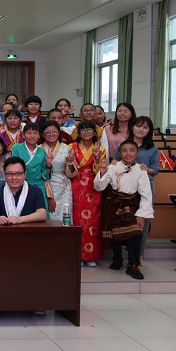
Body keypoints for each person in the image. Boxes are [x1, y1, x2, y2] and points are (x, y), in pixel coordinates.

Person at [95, 140, 154, 280]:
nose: (128, 154)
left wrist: (142, 215)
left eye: (132, 150)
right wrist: (102, 173)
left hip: (132, 204)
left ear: (137, 153)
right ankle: (117, 258)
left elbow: (146, 194)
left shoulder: (141, 170)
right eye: (124, 151)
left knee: (136, 232)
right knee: (115, 231)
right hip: (114, 204)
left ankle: (133, 264)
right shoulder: (112, 167)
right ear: (119, 153)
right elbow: (99, 187)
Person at [113, 116, 159, 261]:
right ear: (132, 127)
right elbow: (114, 163)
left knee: (143, 223)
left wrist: (148, 170)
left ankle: (139, 256)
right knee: (123, 220)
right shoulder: (123, 144)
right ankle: (120, 256)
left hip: (145, 188)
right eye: (138, 126)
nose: (141, 129)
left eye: (145, 127)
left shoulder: (153, 148)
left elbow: (156, 170)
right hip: (124, 188)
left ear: (149, 131)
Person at [66, 120, 106, 266]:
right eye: (83, 130)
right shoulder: (71, 147)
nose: (86, 132)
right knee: (77, 220)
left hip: (93, 186)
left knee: (94, 221)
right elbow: (69, 168)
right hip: (77, 184)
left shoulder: (100, 148)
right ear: (78, 132)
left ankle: (91, 256)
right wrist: (70, 161)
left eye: (89, 130)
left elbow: (102, 170)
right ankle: (79, 255)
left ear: (95, 133)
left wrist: (97, 157)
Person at [0, 157, 47, 225]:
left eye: (18, 174)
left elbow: (42, 214)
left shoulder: (35, 191)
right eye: (10, 174)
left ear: (25, 174)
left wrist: (21, 219)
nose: (14, 178)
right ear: (5, 175)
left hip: (30, 230)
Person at [11, 123, 51, 213]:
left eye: (35, 133)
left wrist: (48, 164)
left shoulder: (42, 151)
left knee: (40, 212)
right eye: (29, 133)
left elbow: (45, 176)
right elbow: (14, 167)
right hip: (20, 185)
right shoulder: (16, 148)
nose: (32, 136)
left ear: (39, 135)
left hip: (38, 186)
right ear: (23, 135)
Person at [40, 121, 72, 221]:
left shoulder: (66, 148)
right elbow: (40, 173)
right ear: (42, 134)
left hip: (64, 187)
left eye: (54, 131)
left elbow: (71, 173)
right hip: (44, 185)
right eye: (47, 132)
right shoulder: (38, 149)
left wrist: (70, 162)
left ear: (59, 132)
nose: (51, 134)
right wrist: (49, 196)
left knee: (64, 216)